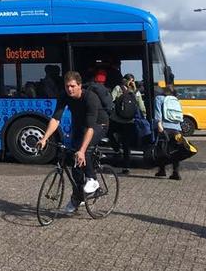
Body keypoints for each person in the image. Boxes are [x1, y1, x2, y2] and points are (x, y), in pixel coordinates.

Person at [37, 71, 109, 214]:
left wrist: (82, 150)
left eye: (72, 86)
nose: (69, 89)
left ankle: (93, 180)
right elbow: (56, 119)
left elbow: (90, 128)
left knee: (84, 150)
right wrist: (44, 138)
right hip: (80, 125)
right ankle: (78, 197)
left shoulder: (90, 98)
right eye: (67, 86)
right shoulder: (64, 96)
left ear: (79, 86)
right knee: (73, 160)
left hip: (98, 125)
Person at [108, 74, 145, 174]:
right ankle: (126, 167)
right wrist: (144, 116)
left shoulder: (118, 88)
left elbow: (111, 99)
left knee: (109, 132)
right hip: (130, 121)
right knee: (126, 145)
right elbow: (141, 105)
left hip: (116, 119)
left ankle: (116, 149)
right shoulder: (136, 92)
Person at [153, 86, 185, 180]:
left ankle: (162, 170)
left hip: (165, 127)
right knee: (176, 150)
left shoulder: (159, 98)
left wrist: (159, 125)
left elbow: (157, 113)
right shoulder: (177, 100)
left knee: (162, 149)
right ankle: (176, 172)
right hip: (177, 128)